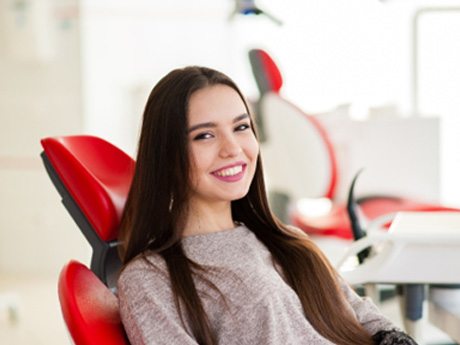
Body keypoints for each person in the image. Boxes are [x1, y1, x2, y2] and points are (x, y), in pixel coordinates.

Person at [117, 66, 417, 345]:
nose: (233, 148)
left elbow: (370, 321)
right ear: (166, 155)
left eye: (241, 127)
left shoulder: (290, 242)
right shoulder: (151, 278)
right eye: (204, 135)